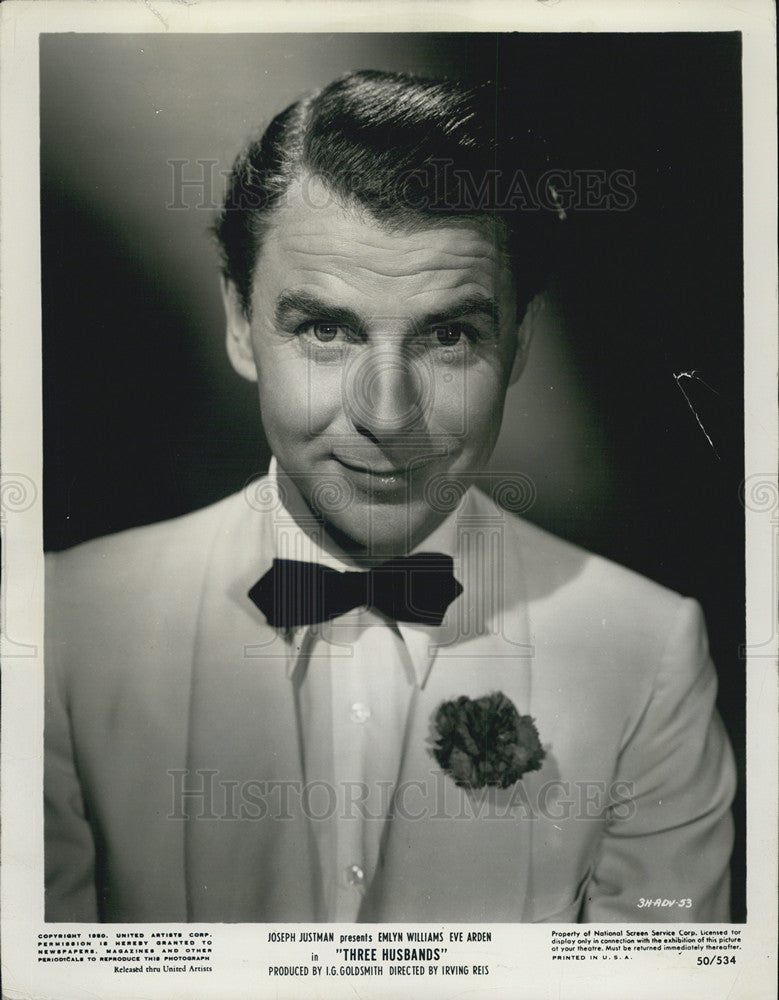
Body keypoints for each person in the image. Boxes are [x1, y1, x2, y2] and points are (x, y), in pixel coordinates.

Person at [45, 69, 735, 923]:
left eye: (448, 336)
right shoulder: (60, 623)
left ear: (516, 345)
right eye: (326, 330)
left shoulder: (647, 650)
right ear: (237, 323)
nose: (387, 415)